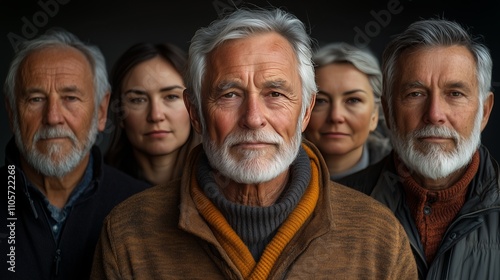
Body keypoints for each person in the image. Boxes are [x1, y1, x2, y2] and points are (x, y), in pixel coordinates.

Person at [91, 7, 417, 279]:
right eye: (230, 94)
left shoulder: (379, 237)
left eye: (275, 94)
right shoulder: (127, 233)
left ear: (304, 111)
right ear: (195, 112)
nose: (253, 118)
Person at [337, 18, 499, 279]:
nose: (434, 114)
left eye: (455, 93)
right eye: (415, 94)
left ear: (484, 112)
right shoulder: (334, 208)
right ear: (388, 112)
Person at [0, 29, 149, 280]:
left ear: (101, 111)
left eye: (70, 97)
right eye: (36, 99)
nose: (53, 118)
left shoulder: (142, 206)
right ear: (13, 113)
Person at [105, 42, 200, 185]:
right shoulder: (99, 187)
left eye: (171, 97)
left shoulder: (224, 187)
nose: (156, 116)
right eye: (138, 100)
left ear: (193, 106)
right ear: (119, 112)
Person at [304, 42, 391, 180]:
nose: (336, 116)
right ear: (303, 112)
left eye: (353, 100)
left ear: (374, 115)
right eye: (321, 101)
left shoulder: (401, 182)